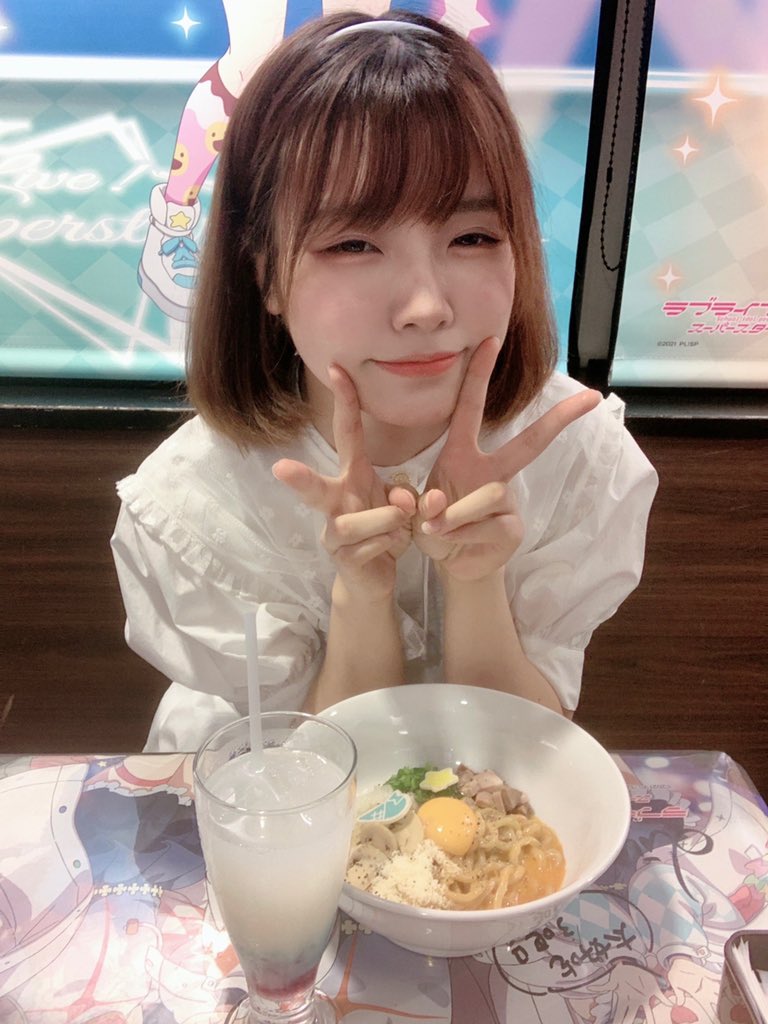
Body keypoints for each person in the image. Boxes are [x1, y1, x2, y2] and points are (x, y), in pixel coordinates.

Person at [112, 10, 658, 752]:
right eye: (354, 243)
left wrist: (475, 579)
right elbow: (304, 777)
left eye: (472, 236)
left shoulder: (573, 457)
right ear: (264, 272)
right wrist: (360, 594)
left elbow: (518, 756)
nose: (427, 307)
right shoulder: (203, 499)